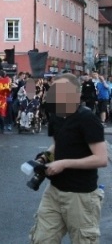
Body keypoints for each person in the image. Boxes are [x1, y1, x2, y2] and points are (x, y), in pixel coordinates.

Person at [29, 73, 108, 243]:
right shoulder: (56, 116)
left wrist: (64, 164)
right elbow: (58, 144)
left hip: (81, 196)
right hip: (54, 192)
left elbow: (101, 159)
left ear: (76, 94)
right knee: (41, 239)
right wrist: (45, 157)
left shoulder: (87, 119)